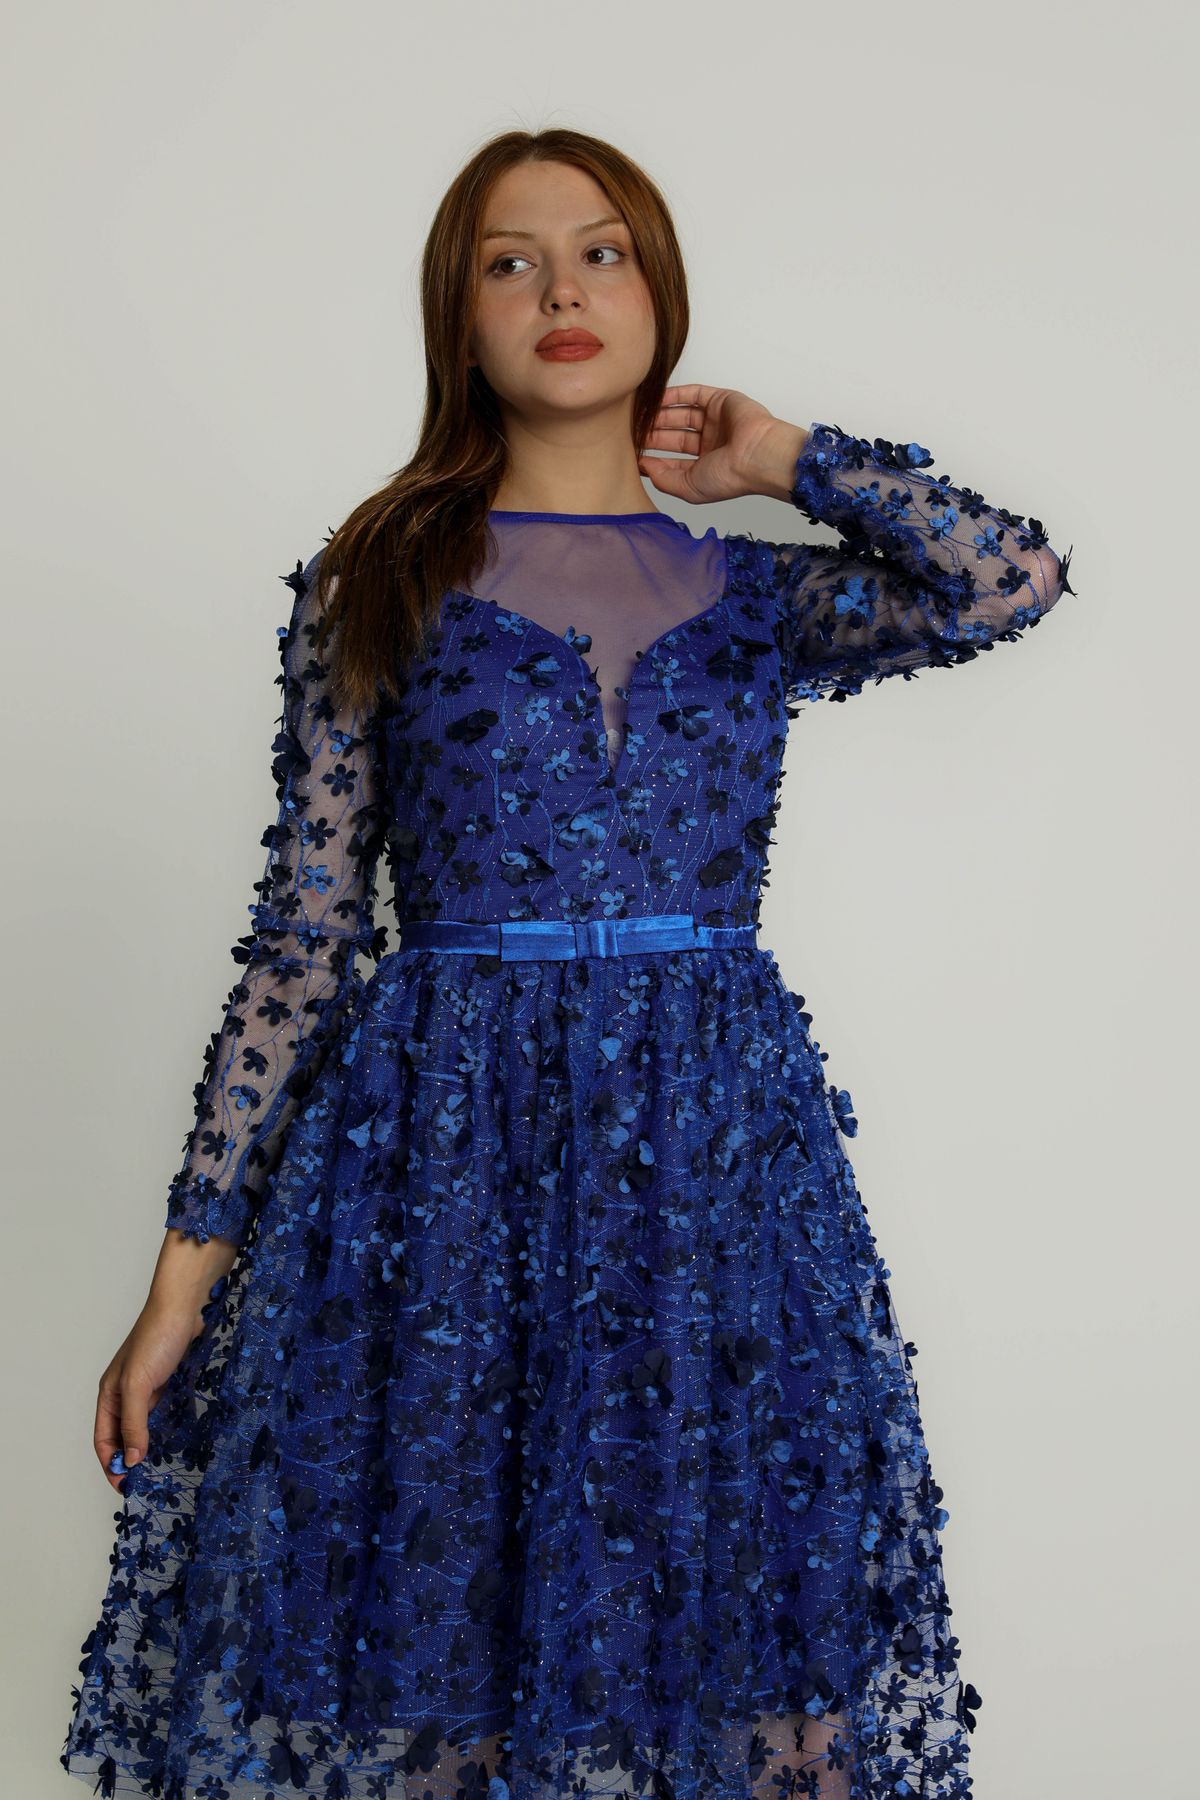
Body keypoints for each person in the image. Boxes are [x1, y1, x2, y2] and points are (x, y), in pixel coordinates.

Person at [60, 128, 1074, 1800]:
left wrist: (788, 457)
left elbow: (1004, 579)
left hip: (712, 1178)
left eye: (602, 252)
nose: (560, 292)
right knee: (439, 1670)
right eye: (509, 263)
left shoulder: (751, 596)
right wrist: (180, 1289)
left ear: (660, 293)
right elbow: (306, 940)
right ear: (457, 319)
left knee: (757, 1677)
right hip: (443, 1184)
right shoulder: (379, 581)